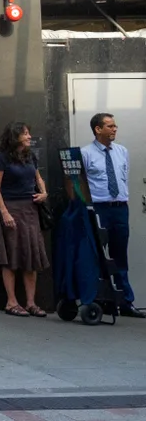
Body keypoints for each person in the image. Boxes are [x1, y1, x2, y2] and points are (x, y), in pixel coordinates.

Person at [80, 113, 144, 318]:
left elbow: (123, 178)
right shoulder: (86, 153)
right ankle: (99, 300)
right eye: (110, 126)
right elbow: (79, 183)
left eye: (115, 125)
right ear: (98, 129)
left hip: (119, 208)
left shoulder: (122, 152)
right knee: (97, 254)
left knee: (119, 255)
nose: (115, 129)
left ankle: (125, 301)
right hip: (98, 208)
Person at [0, 122, 50, 317]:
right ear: (14, 136)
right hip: (11, 207)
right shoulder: (1, 158)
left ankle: (31, 302)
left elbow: (37, 177)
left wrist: (43, 192)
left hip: (30, 207)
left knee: (32, 254)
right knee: (11, 253)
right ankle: (11, 301)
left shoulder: (29, 155)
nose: (29, 136)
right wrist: (4, 212)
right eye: (25, 133)